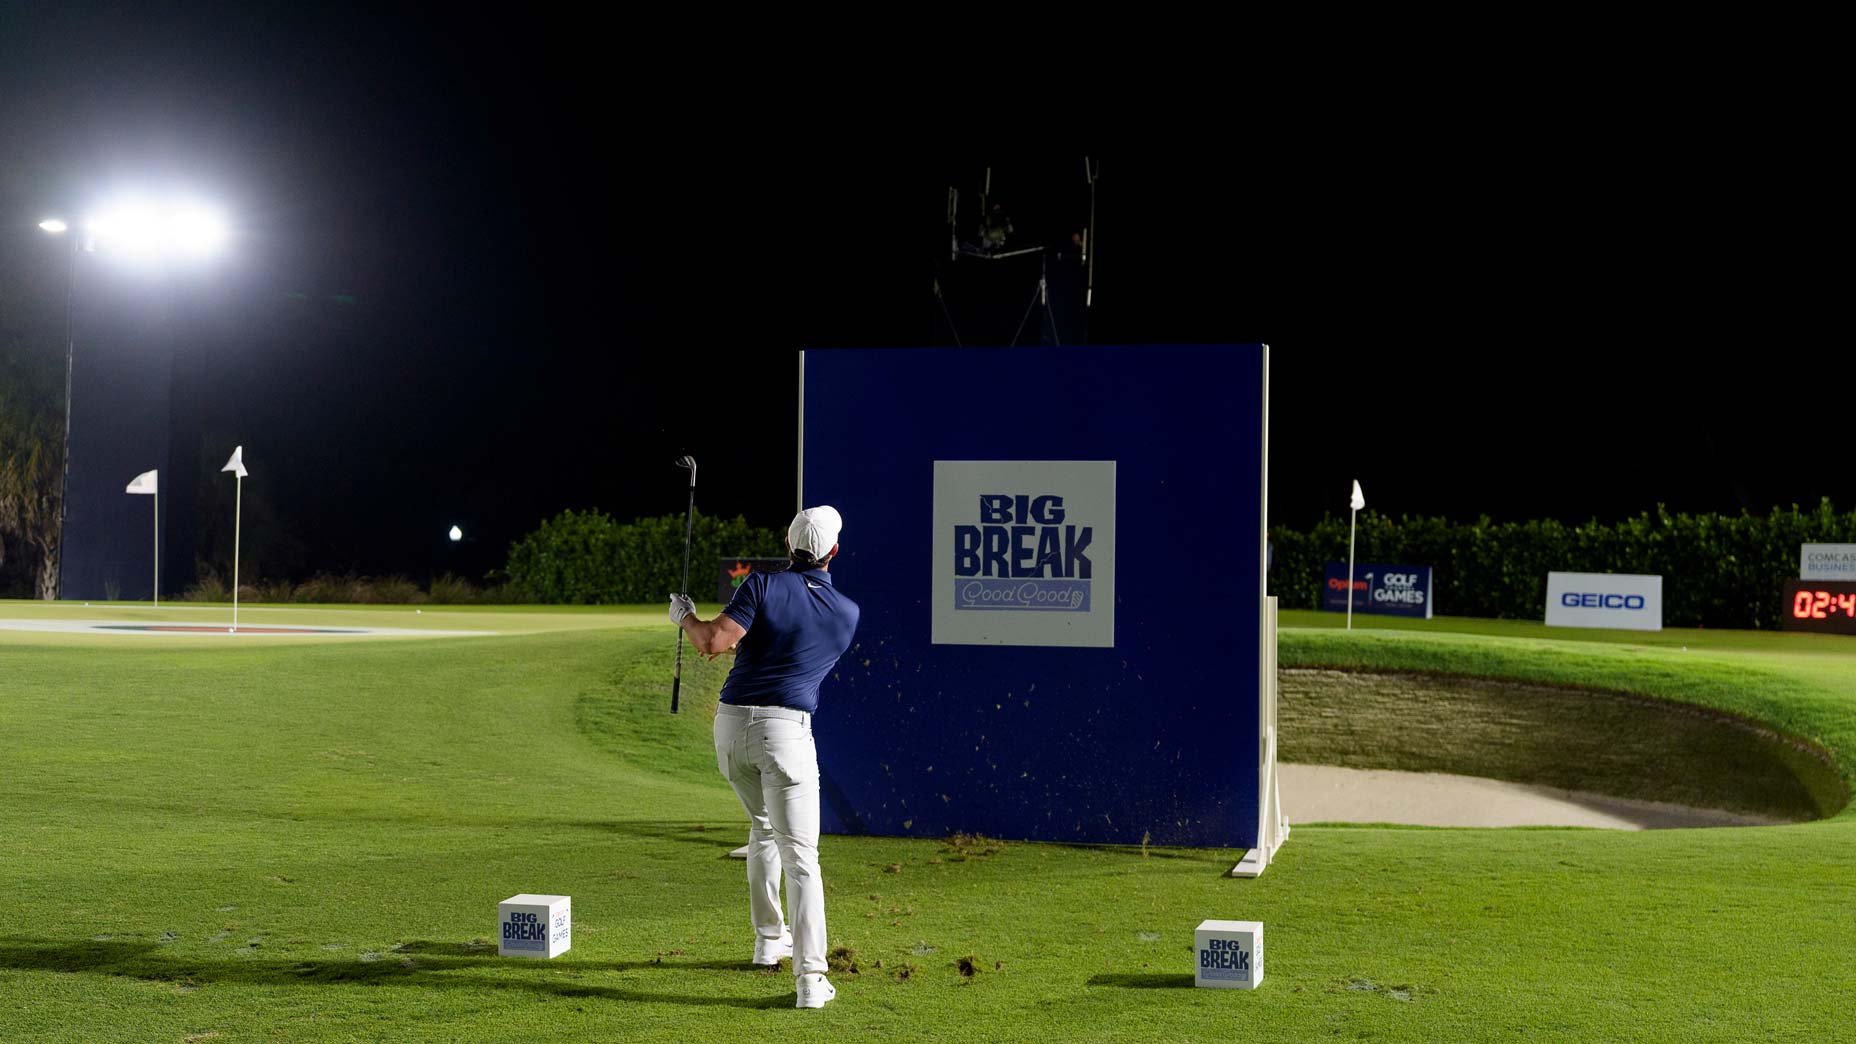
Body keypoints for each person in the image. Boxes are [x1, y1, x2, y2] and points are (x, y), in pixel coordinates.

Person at [670, 505, 860, 1010]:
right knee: (802, 858)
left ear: (787, 543)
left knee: (762, 830)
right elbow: (788, 648)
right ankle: (811, 980)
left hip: (731, 729)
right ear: (833, 552)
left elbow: (713, 642)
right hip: (787, 735)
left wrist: (682, 615)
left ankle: (767, 942)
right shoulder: (847, 614)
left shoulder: (760, 585)